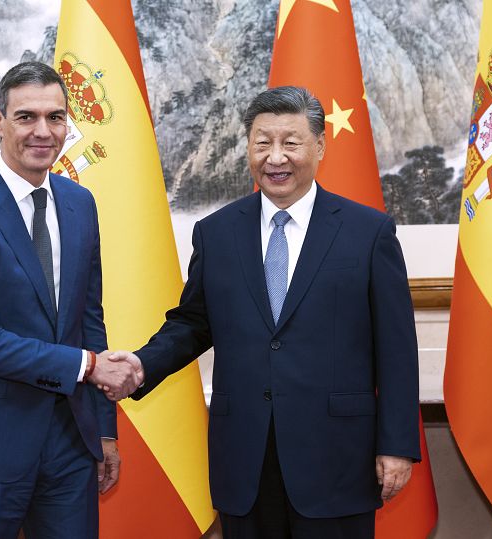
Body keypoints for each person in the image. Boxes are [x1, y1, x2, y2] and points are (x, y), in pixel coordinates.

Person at [109, 86, 420, 538]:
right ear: (248, 149)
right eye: (262, 143)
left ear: (319, 146)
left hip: (337, 459)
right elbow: (194, 324)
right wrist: (140, 365)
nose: (276, 157)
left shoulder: (367, 232)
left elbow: (395, 347)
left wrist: (396, 446)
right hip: (246, 459)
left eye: (291, 143)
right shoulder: (216, 233)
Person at [0, 61, 140, 539]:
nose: (43, 131)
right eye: (26, 117)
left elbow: (90, 322)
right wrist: (86, 366)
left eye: (56, 117)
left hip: (70, 443)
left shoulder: (79, 203)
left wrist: (104, 431)